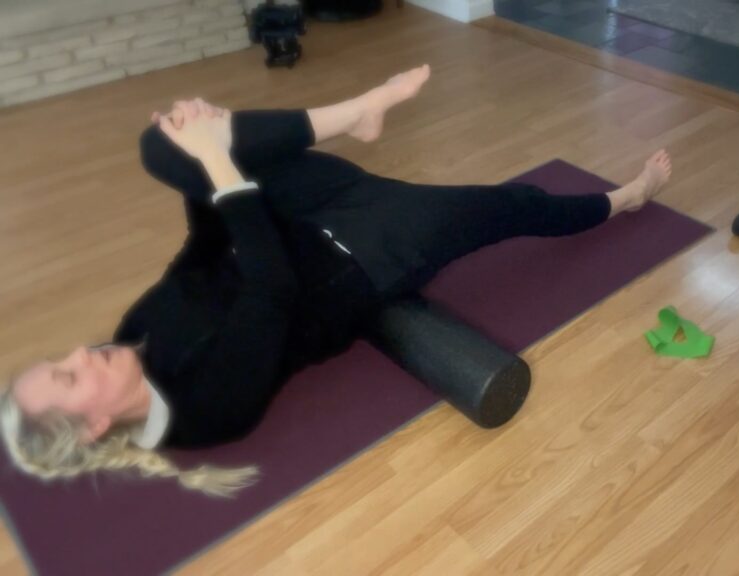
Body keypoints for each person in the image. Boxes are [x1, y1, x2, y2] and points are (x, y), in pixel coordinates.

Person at [0, 65, 673, 497]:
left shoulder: (131, 336)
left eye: (57, 360)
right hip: (369, 252)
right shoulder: (207, 413)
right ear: (91, 425)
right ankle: (628, 200)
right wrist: (215, 158)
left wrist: (201, 156)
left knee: (161, 145)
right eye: (67, 375)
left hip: (298, 209)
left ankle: (360, 110)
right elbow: (272, 292)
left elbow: (200, 250)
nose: (77, 353)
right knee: (516, 205)